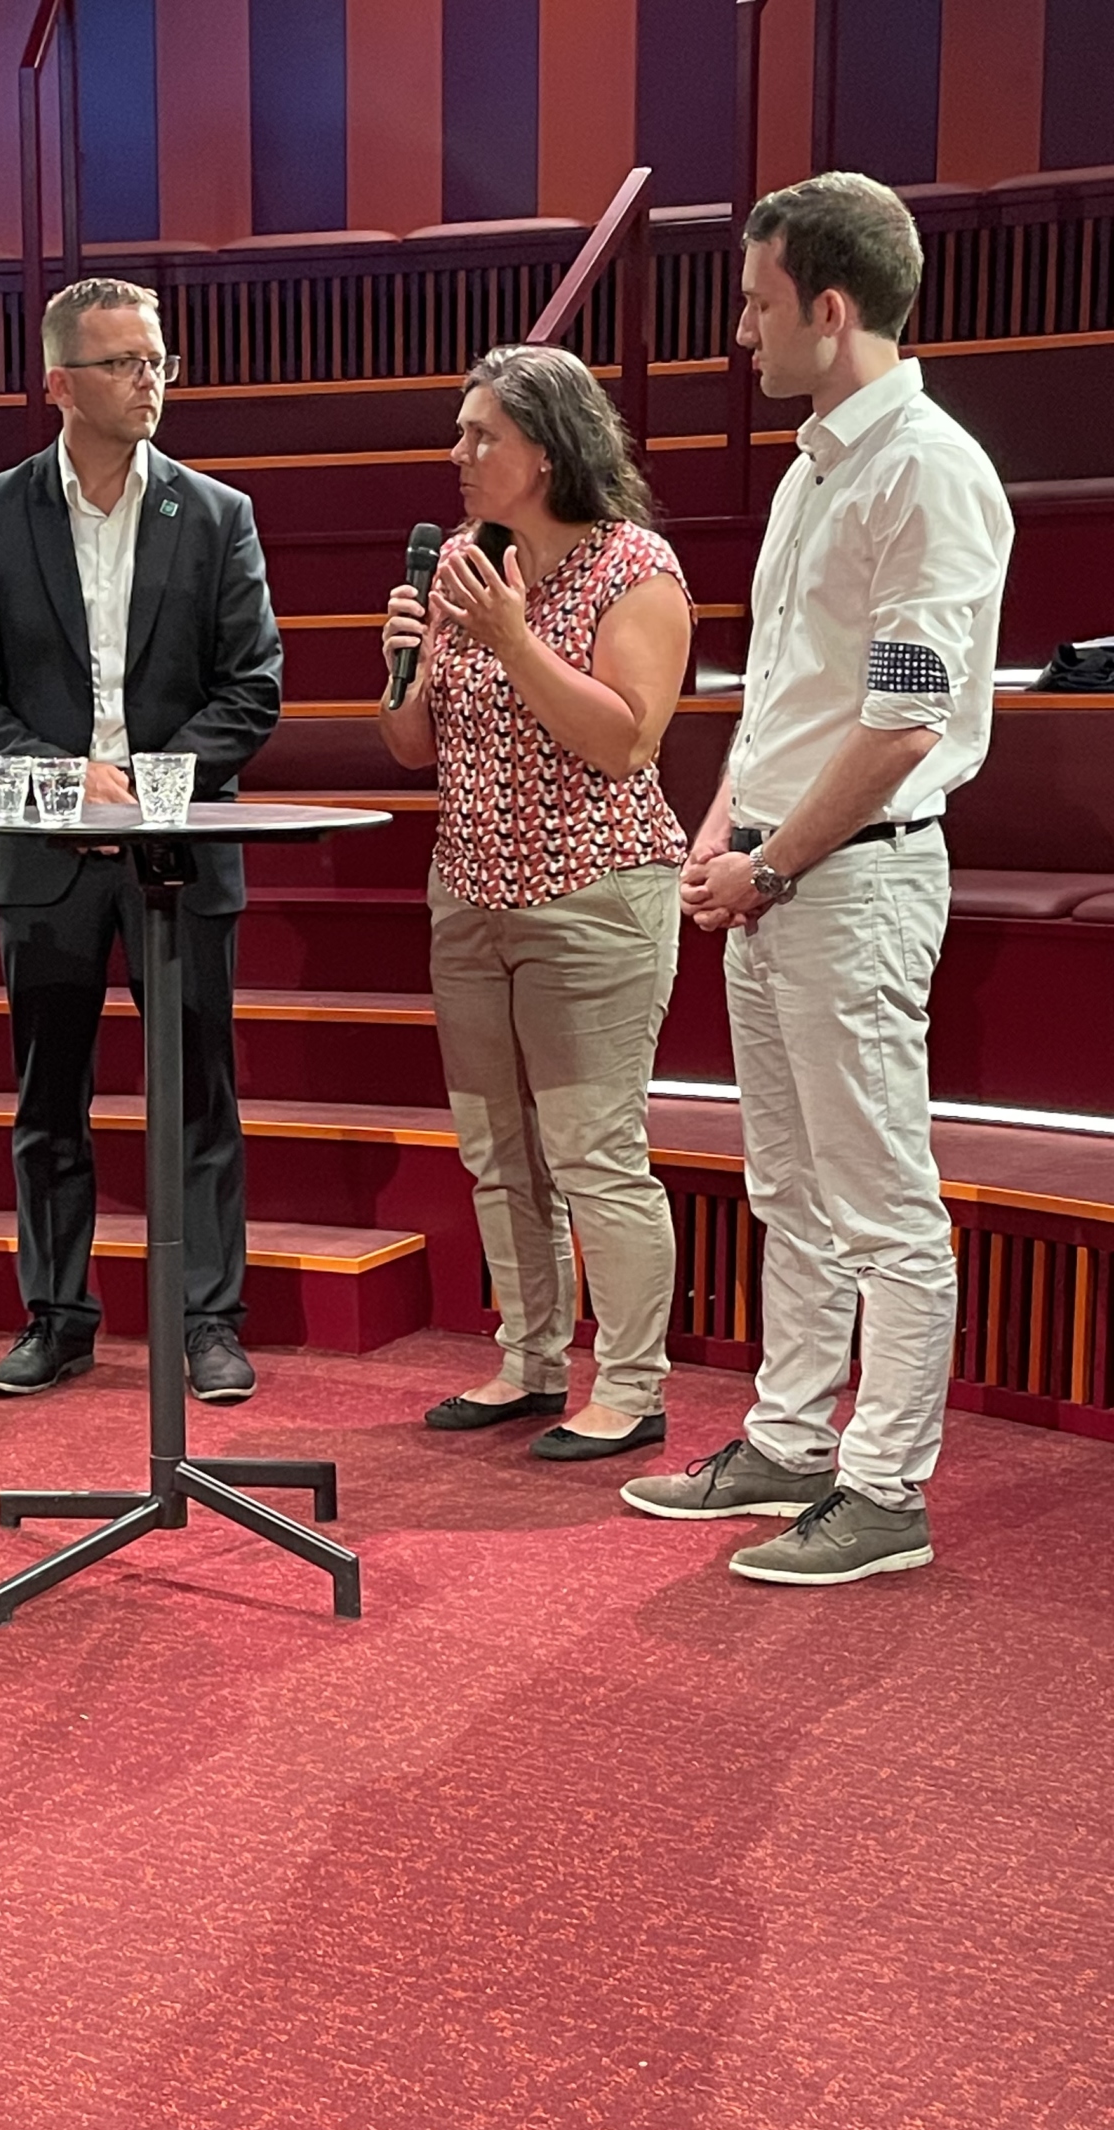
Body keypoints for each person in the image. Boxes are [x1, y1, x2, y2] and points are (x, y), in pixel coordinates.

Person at [621, 173, 1013, 1583]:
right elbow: (786, 691)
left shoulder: (926, 472)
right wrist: (721, 827)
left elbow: (902, 723)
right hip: (780, 870)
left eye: (757, 302)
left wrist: (770, 867)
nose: (741, 331)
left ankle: (885, 1486)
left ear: (830, 309)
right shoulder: (813, 468)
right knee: (787, 1186)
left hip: (852, 880)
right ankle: (789, 1439)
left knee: (880, 1202)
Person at [0, 277, 282, 1405]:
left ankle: (208, 1319)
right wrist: (63, 777)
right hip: (46, 857)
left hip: (177, 854)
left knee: (200, 1096)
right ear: (60, 383)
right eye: (124, 363)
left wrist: (143, 785)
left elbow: (253, 689)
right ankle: (57, 1314)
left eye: (156, 360)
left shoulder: (216, 513)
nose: (149, 381)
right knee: (49, 1101)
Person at [378, 344, 694, 1460]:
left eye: (483, 436)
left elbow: (625, 740)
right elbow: (414, 746)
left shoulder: (634, 567)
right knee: (495, 1149)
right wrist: (402, 667)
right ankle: (529, 1358)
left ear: (549, 452)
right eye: (461, 432)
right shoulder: (465, 562)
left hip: (593, 896)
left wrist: (512, 639)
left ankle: (633, 1386)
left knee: (593, 1152)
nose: (458, 454)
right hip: (469, 891)